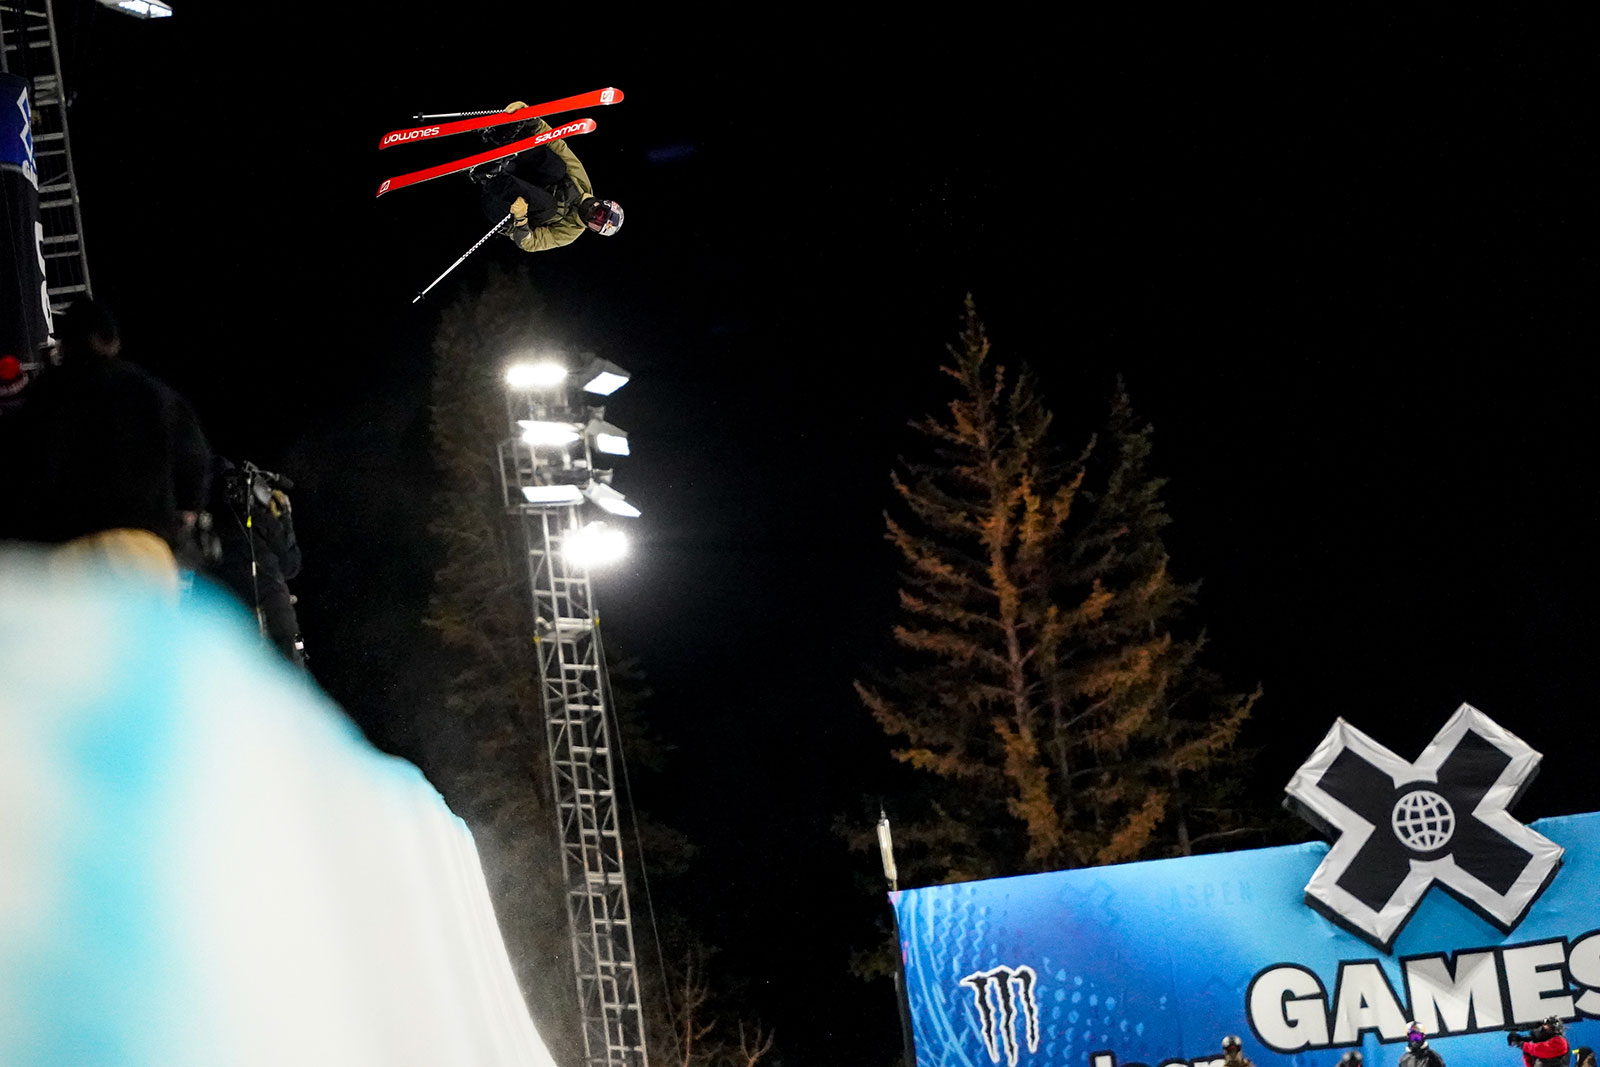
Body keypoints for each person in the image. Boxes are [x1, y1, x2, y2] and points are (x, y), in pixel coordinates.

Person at [0, 299, 210, 592]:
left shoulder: (42, 398)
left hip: (63, 557)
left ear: (64, 344)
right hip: (142, 550)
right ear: (113, 341)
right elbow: (194, 461)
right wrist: (185, 515)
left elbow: (15, 476)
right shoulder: (150, 392)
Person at [469, 100, 624, 253]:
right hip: (516, 175)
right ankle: (509, 139)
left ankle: (490, 176)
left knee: (549, 208)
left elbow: (531, 243)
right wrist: (533, 121)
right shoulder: (581, 184)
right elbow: (558, 146)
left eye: (596, 225)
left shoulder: (570, 232)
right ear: (603, 203)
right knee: (558, 168)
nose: (592, 218)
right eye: (600, 214)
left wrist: (521, 218)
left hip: (501, 207)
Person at [208, 457, 304, 667]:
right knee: (291, 675)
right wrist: (285, 518)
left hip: (225, 616)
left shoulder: (206, 527)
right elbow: (291, 565)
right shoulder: (261, 520)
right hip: (273, 609)